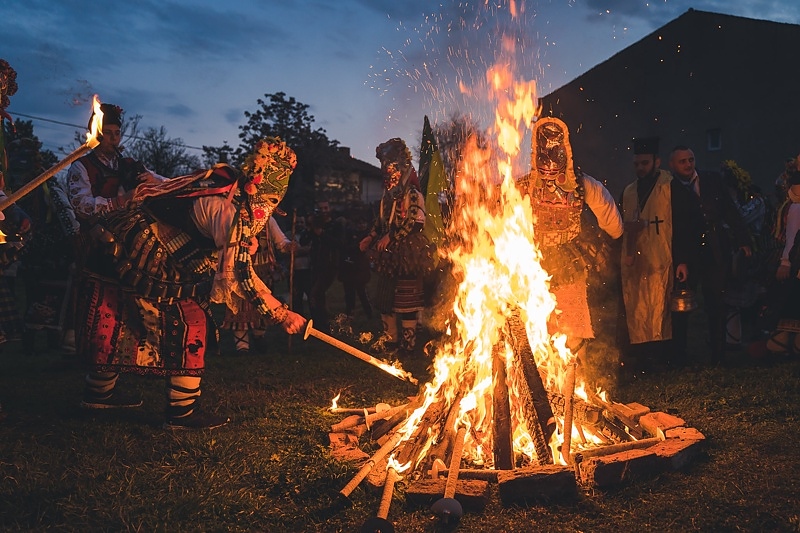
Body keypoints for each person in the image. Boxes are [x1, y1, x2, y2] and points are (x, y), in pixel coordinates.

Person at [77, 137, 307, 430]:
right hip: (150, 260)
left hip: (146, 255)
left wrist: (237, 244)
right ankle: (181, 413)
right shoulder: (231, 210)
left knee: (122, 319)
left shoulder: (229, 189)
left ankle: (98, 394)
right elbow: (242, 274)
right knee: (189, 323)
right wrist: (280, 313)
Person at [63, 102, 165, 354]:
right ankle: (82, 338)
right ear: (96, 132)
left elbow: (159, 182)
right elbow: (81, 204)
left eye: (116, 133)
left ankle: (144, 331)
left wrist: (157, 183)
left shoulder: (127, 162)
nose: (113, 138)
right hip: (98, 233)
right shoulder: (81, 165)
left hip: (132, 230)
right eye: (107, 133)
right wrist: (118, 201)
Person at [524, 117, 623, 365]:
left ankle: (574, 384)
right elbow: (613, 223)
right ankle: (543, 381)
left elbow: (611, 220)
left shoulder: (583, 185)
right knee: (537, 323)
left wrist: (610, 242)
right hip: (532, 263)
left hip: (566, 262)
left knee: (573, 323)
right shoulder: (523, 186)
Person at [668, 145, 752, 364]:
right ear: (673, 165)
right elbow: (676, 228)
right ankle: (679, 356)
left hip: (715, 249)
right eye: (682, 161)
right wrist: (681, 260)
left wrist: (743, 240)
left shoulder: (712, 180)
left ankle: (718, 355)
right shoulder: (670, 189)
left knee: (716, 302)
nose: (688, 164)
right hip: (688, 252)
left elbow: (730, 210)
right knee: (682, 305)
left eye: (690, 159)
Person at [618, 137, 697, 370]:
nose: (641, 168)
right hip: (639, 261)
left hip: (665, 259)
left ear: (657, 161)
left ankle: (669, 357)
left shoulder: (671, 188)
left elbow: (684, 226)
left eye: (645, 163)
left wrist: (682, 260)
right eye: (637, 164)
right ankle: (643, 357)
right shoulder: (629, 191)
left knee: (664, 309)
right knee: (640, 307)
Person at [359, 138, 434, 355]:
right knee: (385, 299)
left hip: (408, 256)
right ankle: (390, 341)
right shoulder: (387, 197)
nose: (388, 172)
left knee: (407, 301)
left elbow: (415, 222)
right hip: (387, 256)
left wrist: (391, 237)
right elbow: (381, 221)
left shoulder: (412, 194)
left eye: (391, 166)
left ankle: (408, 345)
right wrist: (371, 236)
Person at [221, 215, 296, 354]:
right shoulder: (236, 218)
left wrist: (287, 246)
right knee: (239, 307)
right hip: (238, 269)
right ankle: (242, 347)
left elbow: (281, 241)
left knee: (262, 307)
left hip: (262, 272)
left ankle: (259, 337)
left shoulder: (268, 220)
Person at [308, 200, 344, 334]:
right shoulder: (316, 225)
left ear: (330, 208)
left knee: (316, 293)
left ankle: (324, 325)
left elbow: (339, 243)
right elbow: (306, 240)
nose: (323, 211)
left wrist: (322, 234)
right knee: (317, 295)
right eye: (320, 208)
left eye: (325, 208)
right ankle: (319, 324)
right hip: (316, 264)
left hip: (329, 264)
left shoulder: (336, 225)